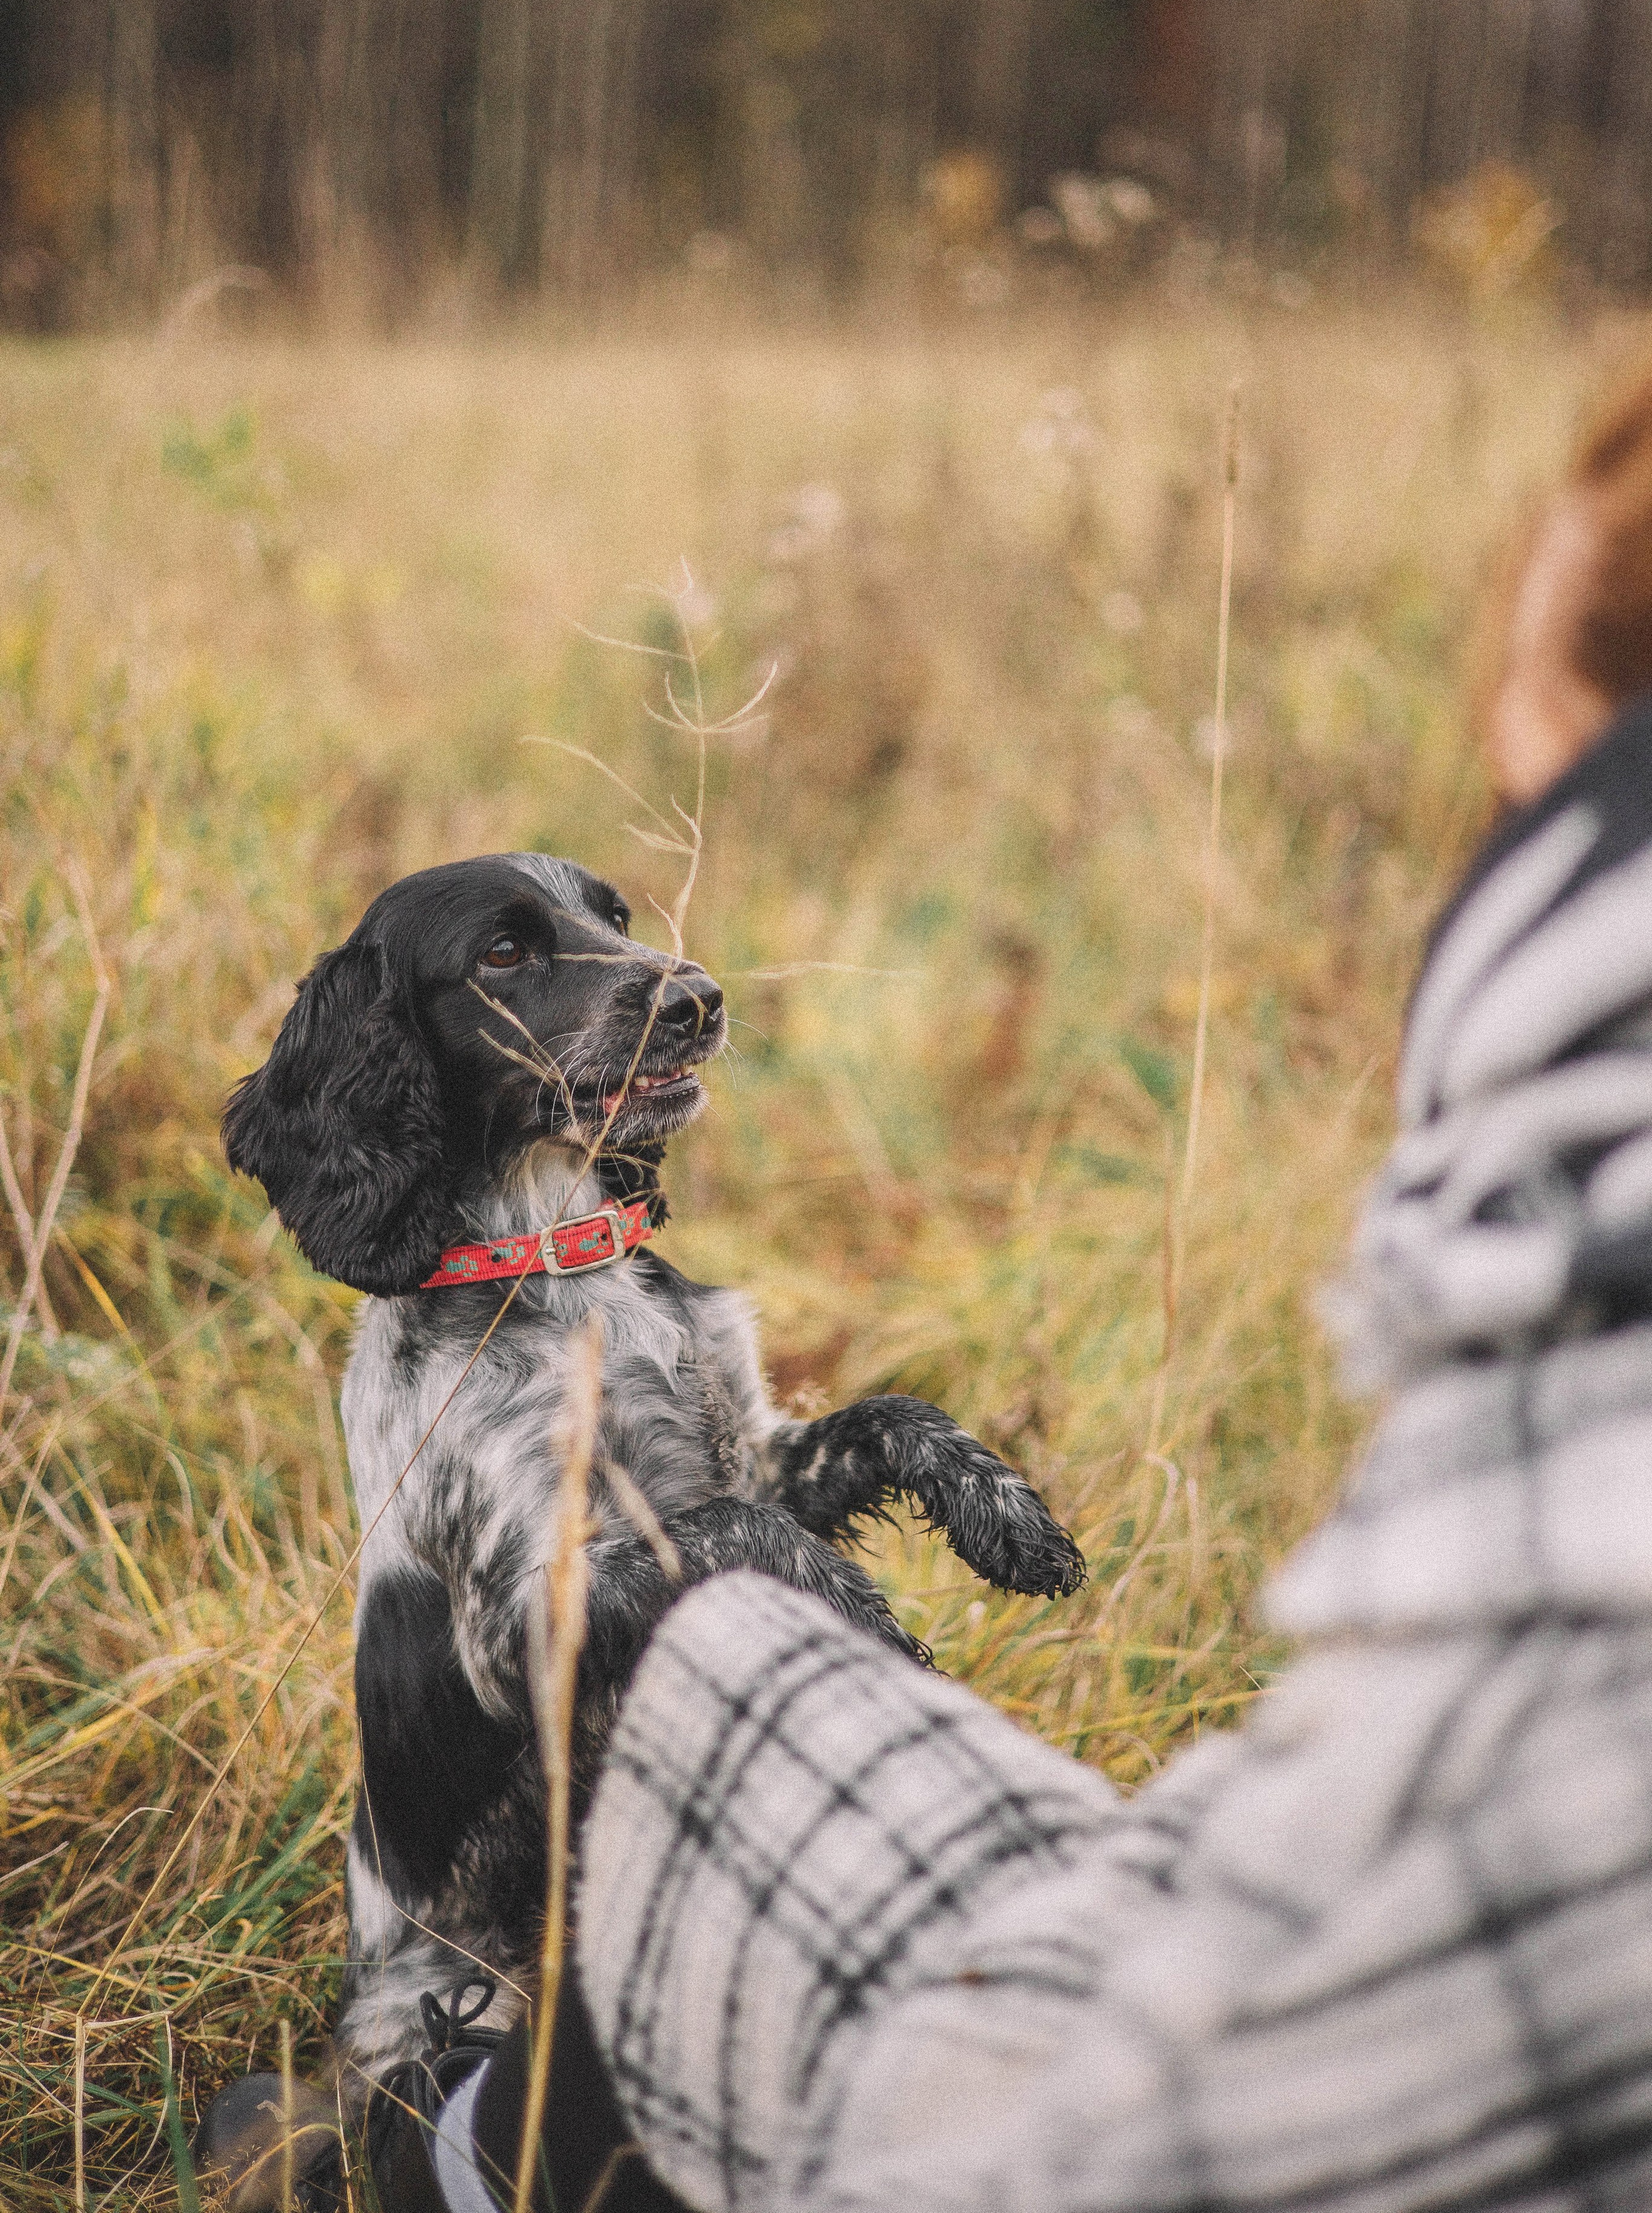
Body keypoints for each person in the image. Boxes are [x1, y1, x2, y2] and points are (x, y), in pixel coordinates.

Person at [206, 368, 1652, 2213]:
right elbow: (630, 1592)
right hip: (477, 1984)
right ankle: (390, 2152)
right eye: (524, 960)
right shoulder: (437, 1380)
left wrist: (902, 1469)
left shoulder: (635, 1290)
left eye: (615, 931)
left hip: (731, 1925)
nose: (654, 979)